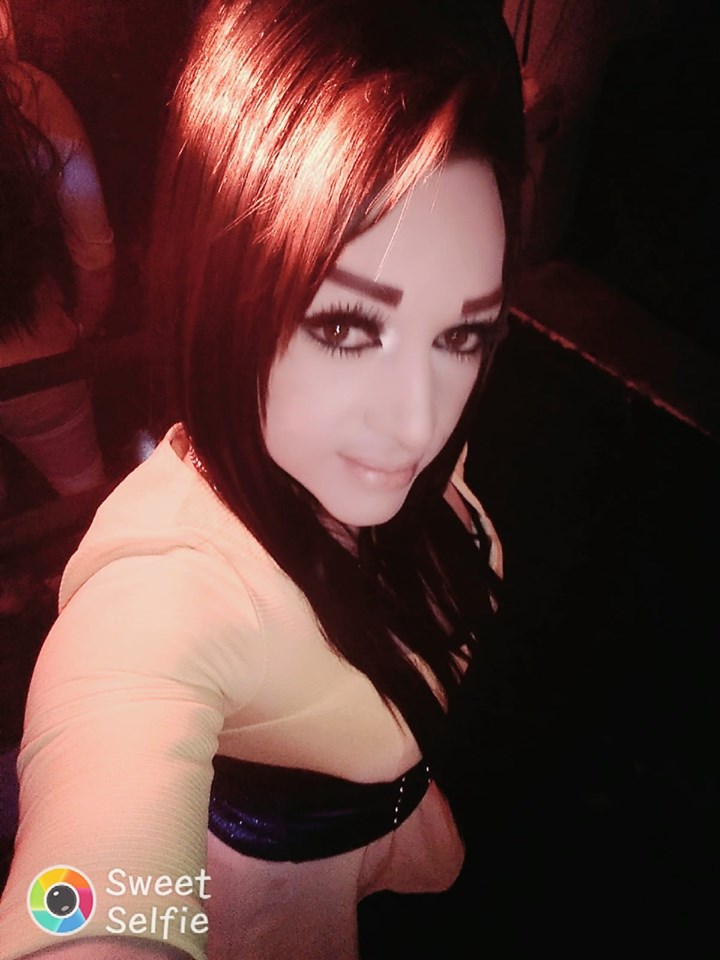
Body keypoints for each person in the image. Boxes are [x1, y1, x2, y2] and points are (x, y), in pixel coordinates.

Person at [0, 0, 524, 957]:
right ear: (226, 289)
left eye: (462, 334)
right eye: (345, 326)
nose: (419, 422)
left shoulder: (383, 446)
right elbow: (81, 901)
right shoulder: (161, 597)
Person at [0, 6, 114, 503]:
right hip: (37, 364)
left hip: (36, 363)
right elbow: (95, 257)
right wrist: (80, 331)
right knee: (86, 504)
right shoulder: (30, 94)